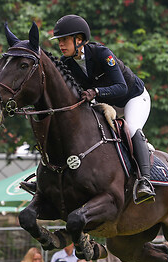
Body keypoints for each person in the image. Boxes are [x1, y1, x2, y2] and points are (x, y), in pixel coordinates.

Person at [50, 14, 155, 204]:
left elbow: (121, 87)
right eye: (59, 41)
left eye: (64, 40)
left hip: (133, 98)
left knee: (130, 129)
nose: (61, 44)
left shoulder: (102, 54)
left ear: (79, 39)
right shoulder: (66, 64)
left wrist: (95, 91)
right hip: (106, 103)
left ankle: (144, 181)